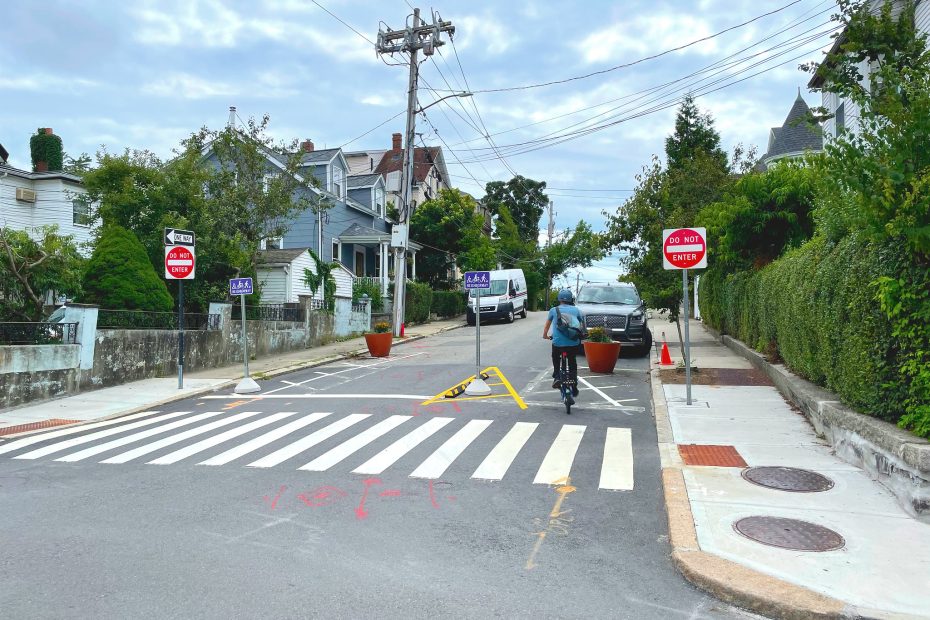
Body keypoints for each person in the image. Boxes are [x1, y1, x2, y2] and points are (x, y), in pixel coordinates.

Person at [543, 289, 585, 396]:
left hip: (558, 343)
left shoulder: (554, 310)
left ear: (559, 299)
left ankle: (557, 376)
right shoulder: (576, 310)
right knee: (572, 361)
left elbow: (547, 325)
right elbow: (581, 324)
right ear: (571, 299)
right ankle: (574, 384)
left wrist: (545, 335)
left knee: (555, 356)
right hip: (573, 342)